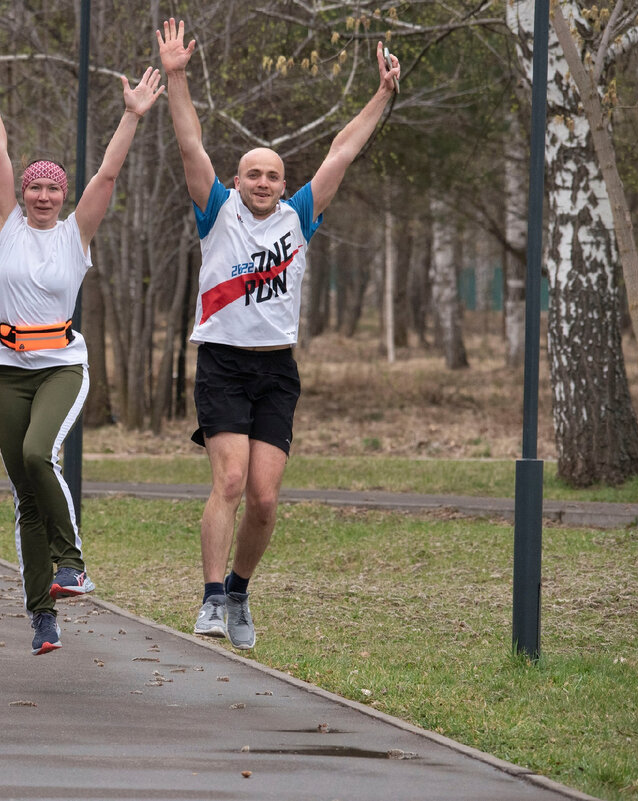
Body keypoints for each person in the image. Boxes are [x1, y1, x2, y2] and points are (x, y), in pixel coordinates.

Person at [157, 18, 401, 650]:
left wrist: (382, 95)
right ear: (237, 181)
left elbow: (342, 151)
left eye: (271, 175)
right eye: (251, 174)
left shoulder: (298, 218)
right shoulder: (217, 212)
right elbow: (189, 144)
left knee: (264, 500)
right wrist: (177, 76)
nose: (261, 182)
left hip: (277, 370)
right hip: (222, 363)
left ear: (282, 183)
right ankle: (211, 599)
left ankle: (238, 591)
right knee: (230, 483)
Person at [0, 34, 164, 656]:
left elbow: (107, 172)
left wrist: (131, 115)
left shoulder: (76, 233)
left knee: (36, 453)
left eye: (53, 189)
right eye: (35, 189)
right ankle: (42, 616)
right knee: (24, 496)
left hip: (60, 366)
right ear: (22, 194)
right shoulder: (5, 229)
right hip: (7, 365)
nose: (44, 196)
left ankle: (73, 561)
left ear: (63, 195)